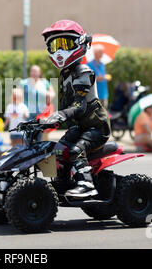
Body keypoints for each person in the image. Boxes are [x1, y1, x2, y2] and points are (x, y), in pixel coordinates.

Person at [37, 19, 110, 199]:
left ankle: (86, 184)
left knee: (77, 149)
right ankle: (62, 183)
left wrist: (59, 115)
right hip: (79, 127)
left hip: (95, 127)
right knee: (59, 149)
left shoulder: (84, 72)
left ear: (80, 43)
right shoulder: (66, 75)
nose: (60, 50)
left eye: (66, 44)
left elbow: (79, 106)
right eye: (56, 45)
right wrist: (41, 122)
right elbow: (65, 107)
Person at [87, 44, 111, 108]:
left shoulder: (102, 64)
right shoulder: (89, 65)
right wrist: (97, 79)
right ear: (95, 53)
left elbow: (104, 75)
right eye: (100, 52)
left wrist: (106, 78)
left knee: (104, 113)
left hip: (104, 94)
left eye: (102, 52)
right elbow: (87, 79)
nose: (102, 54)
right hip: (95, 95)